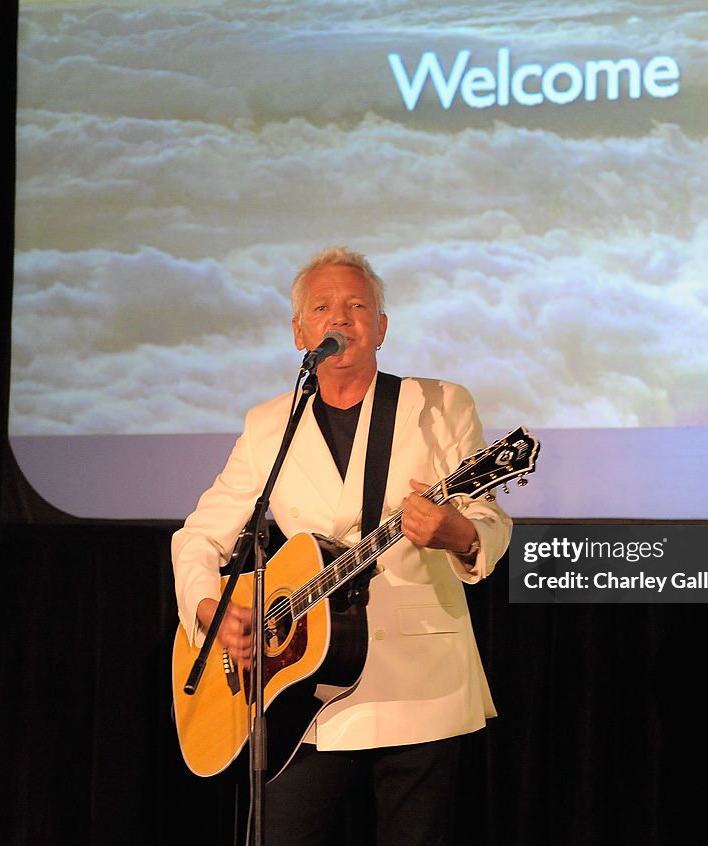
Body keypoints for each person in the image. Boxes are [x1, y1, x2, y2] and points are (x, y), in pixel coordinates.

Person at [172, 247, 511, 845]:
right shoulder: (268, 424)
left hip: (419, 689)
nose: (340, 318)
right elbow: (199, 535)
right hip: (303, 697)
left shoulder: (437, 405)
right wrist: (211, 609)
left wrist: (455, 534)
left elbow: (487, 522)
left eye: (358, 306)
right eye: (323, 307)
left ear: (381, 328)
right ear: (300, 332)